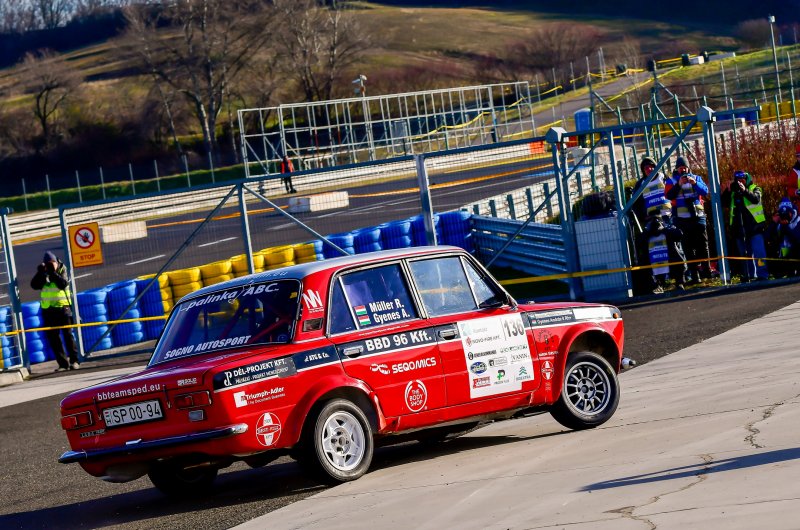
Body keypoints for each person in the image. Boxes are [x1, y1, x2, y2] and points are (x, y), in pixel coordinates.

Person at [632, 156, 686, 293]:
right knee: (653, 251)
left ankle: (679, 280)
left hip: (667, 218)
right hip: (651, 221)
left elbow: (674, 193)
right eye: (646, 168)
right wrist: (643, 216)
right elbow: (635, 204)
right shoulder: (640, 184)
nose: (649, 169)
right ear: (642, 170)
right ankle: (658, 283)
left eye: (651, 166)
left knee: (674, 247)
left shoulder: (665, 178)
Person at [665, 156, 716, 284]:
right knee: (687, 248)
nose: (683, 170)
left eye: (685, 167)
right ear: (677, 169)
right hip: (682, 220)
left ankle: (707, 271)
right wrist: (679, 184)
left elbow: (705, 191)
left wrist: (695, 183)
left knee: (703, 245)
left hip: (698, 217)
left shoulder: (696, 178)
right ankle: (694, 275)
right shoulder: (671, 181)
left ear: (688, 167)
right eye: (680, 168)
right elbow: (668, 195)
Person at [30, 251, 80, 371]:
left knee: (68, 335)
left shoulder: (62, 270)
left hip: (63, 307)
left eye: (52, 262)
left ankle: (74, 361)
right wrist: (40, 272)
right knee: (53, 338)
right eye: (48, 263)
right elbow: (34, 285)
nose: (50, 265)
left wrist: (53, 273)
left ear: (57, 262)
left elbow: (63, 284)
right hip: (48, 310)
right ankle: (63, 364)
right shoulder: (44, 272)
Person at [728, 170, 768, 281]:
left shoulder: (755, 188)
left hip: (755, 228)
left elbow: (756, 199)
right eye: (738, 180)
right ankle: (750, 275)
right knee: (745, 255)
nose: (740, 182)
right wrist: (729, 190)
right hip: (740, 229)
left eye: (742, 180)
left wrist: (744, 191)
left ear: (747, 179)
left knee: (759, 253)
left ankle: (762, 274)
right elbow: (723, 202)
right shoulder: (733, 192)